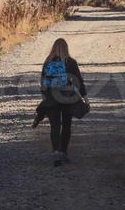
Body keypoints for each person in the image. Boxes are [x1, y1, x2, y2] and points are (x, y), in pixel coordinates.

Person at [33, 37, 88, 167]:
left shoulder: (47, 61)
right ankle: (63, 152)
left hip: (51, 98)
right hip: (66, 98)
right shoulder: (70, 62)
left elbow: (43, 81)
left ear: (53, 48)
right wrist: (85, 98)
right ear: (66, 48)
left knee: (55, 126)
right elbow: (79, 82)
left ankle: (55, 153)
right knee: (66, 125)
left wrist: (45, 98)